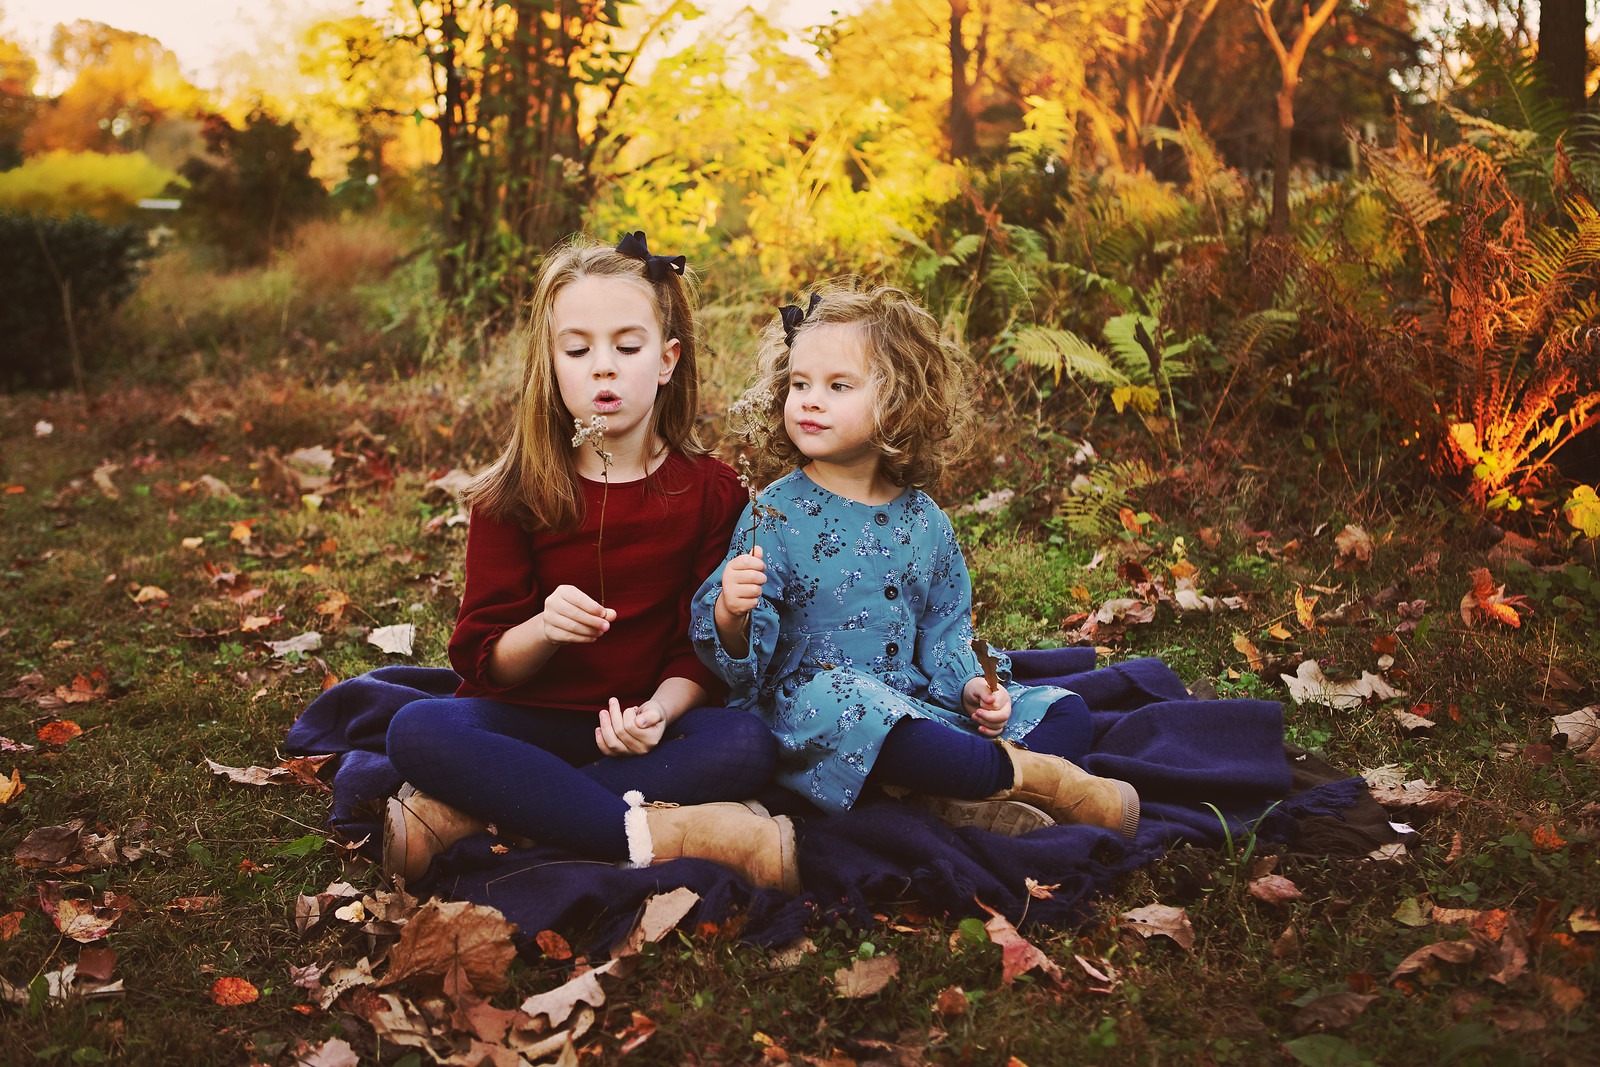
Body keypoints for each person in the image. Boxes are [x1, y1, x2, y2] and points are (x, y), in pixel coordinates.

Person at [382, 233, 798, 893]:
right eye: (577, 350)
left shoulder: (711, 491)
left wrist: (659, 714)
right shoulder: (514, 491)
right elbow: (482, 656)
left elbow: (696, 652)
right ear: (550, 363)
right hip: (524, 725)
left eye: (626, 347)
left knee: (747, 742)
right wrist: (544, 629)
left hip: (641, 733)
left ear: (666, 360)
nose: (602, 367)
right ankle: (649, 834)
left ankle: (493, 813)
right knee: (416, 728)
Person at [690, 284, 1139, 838]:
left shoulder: (926, 522)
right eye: (799, 384)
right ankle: (1022, 783)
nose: (809, 400)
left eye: (837, 386)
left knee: (1064, 710)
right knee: (859, 706)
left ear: (897, 403)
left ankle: (961, 794)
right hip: (823, 709)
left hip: (915, 702)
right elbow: (741, 658)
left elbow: (945, 630)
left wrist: (974, 688)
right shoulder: (775, 513)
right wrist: (732, 613)